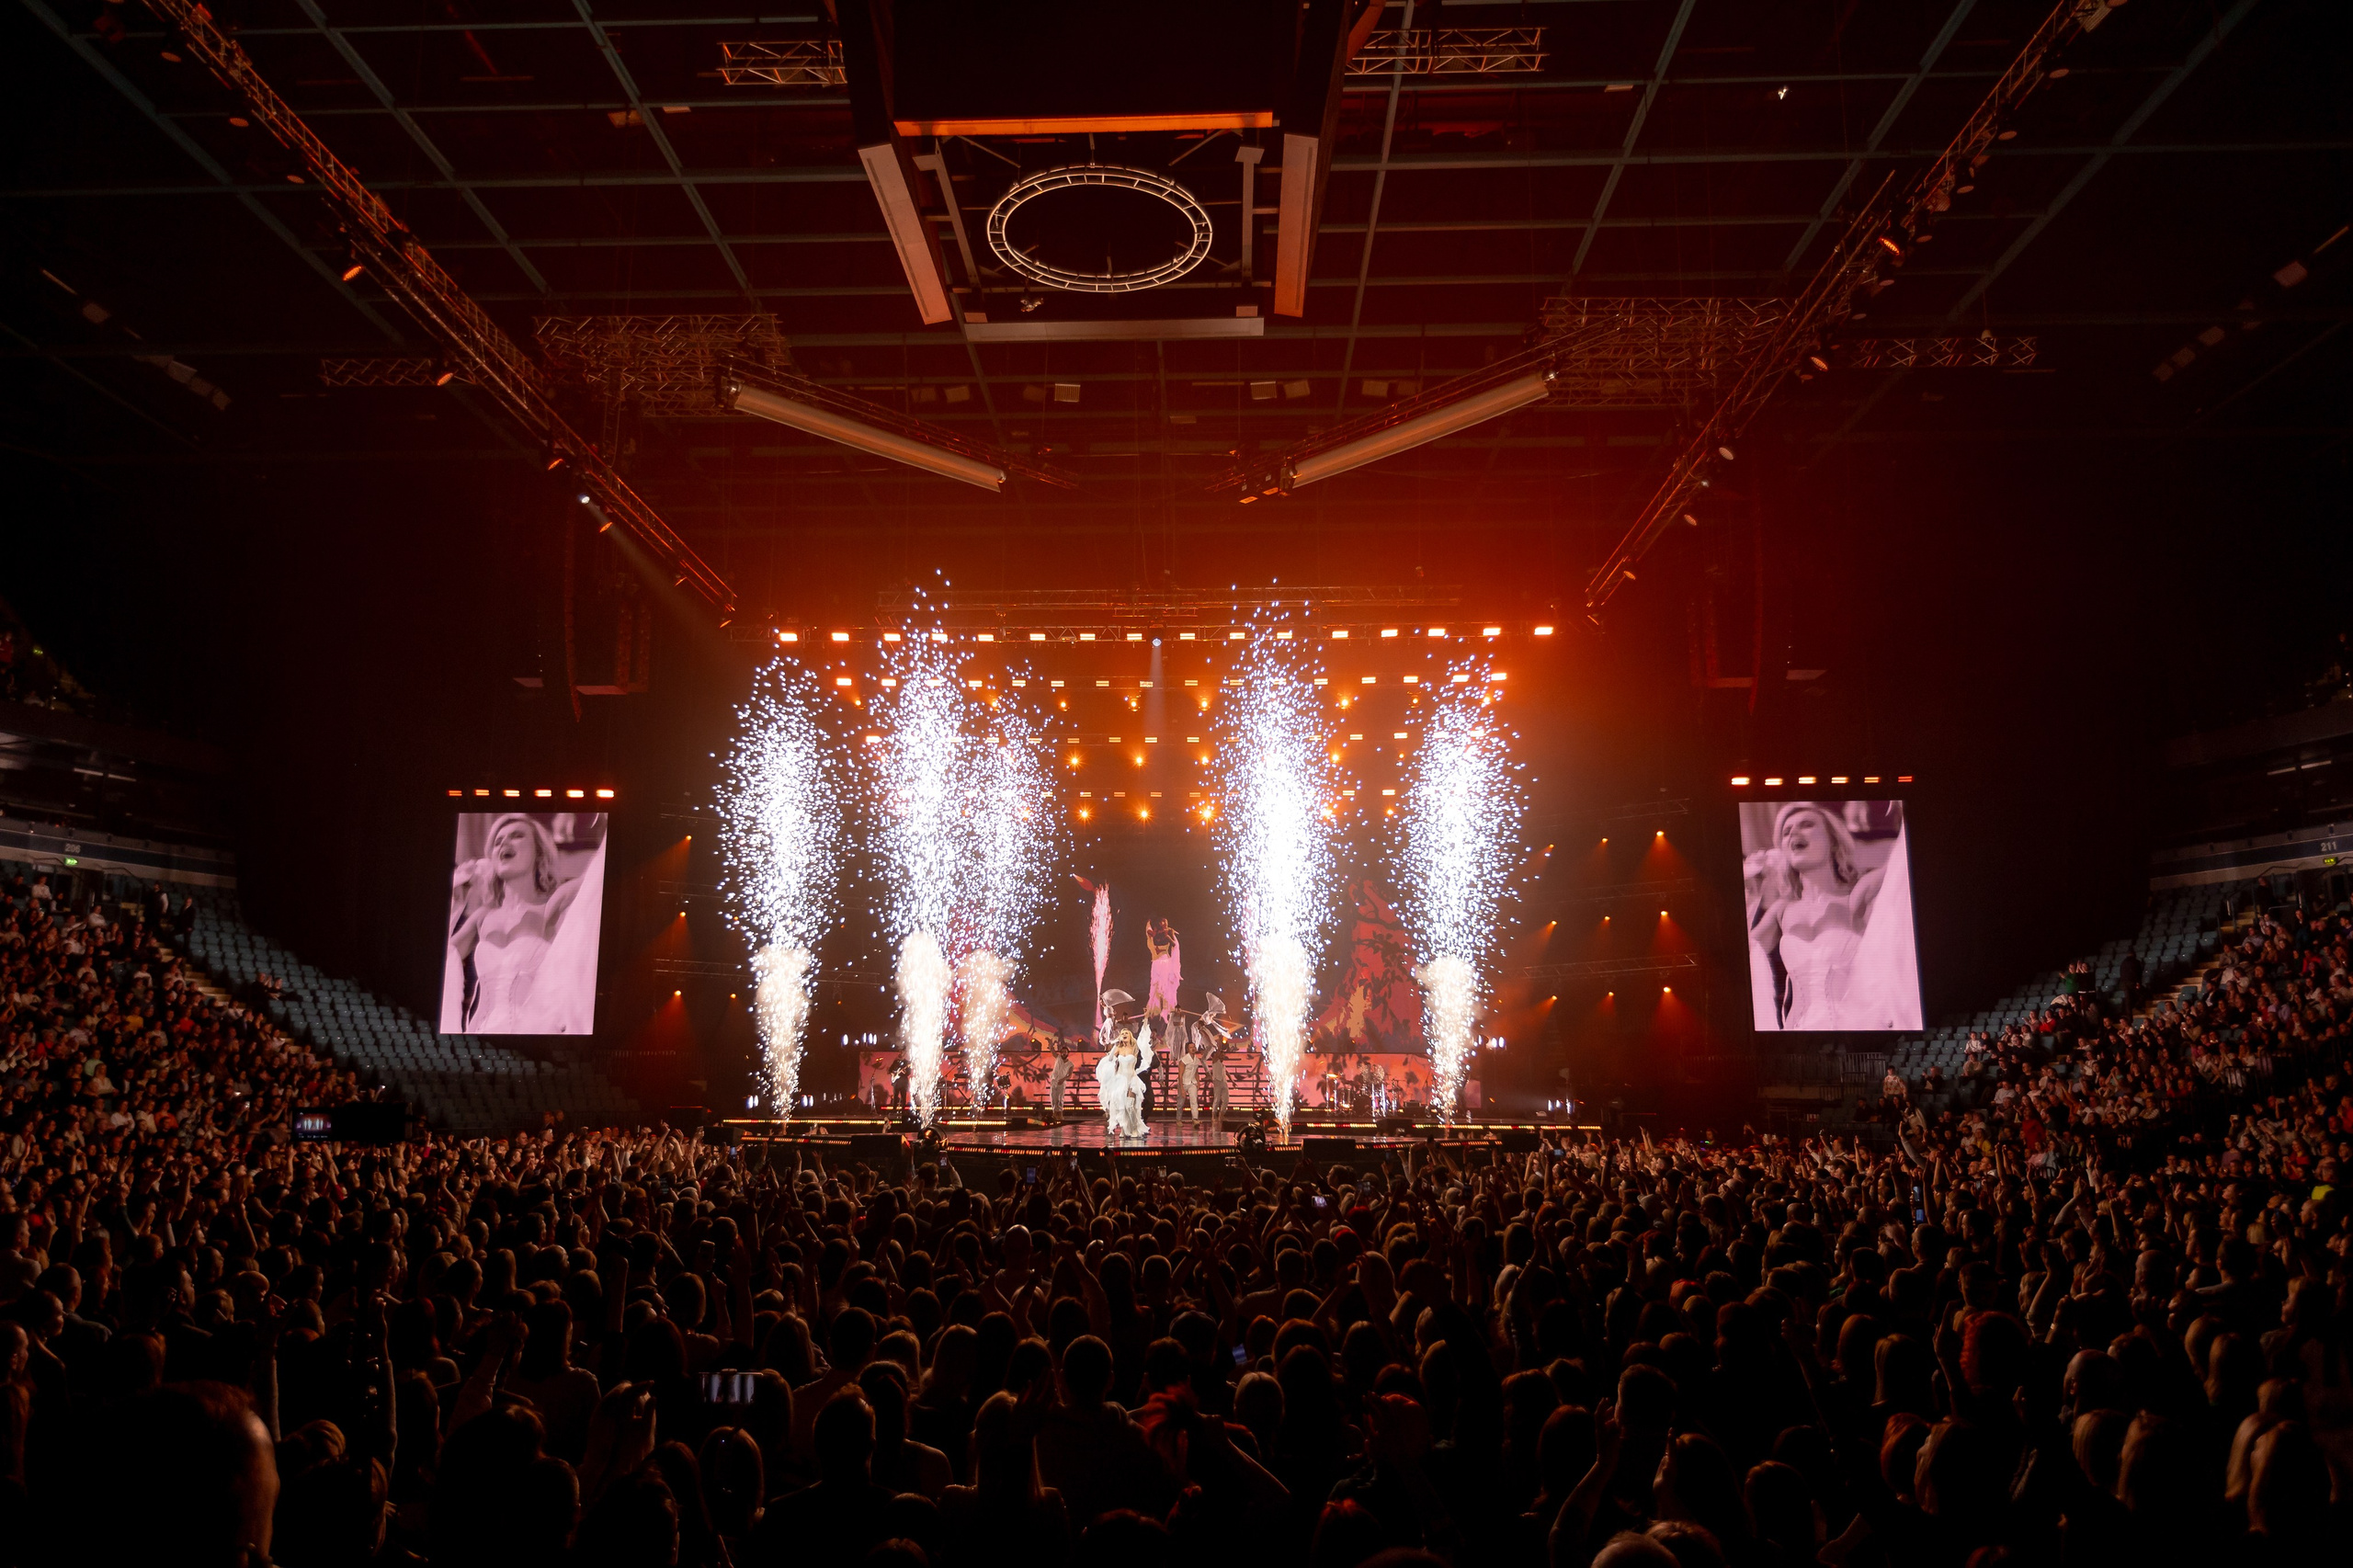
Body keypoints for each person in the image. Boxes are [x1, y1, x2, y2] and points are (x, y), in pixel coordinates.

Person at [439, 813, 602, 1034]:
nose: (504, 843)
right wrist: (455, 904)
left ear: (538, 852)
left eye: (516, 836)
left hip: (535, 1036)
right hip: (480, 1035)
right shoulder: (482, 917)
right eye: (498, 841)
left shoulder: (554, 905)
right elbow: (439, 967)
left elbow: (597, 879)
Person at [1744, 801, 1900, 1030]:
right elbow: (1742, 959)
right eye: (1786, 832)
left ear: (1833, 841)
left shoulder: (1860, 896)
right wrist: (1750, 896)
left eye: (1806, 825)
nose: (1793, 833)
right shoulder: (1782, 911)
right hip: (1799, 1034)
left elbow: (1901, 865)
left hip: (1860, 1029)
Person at [1094, 1024, 1154, 1142]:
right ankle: (1124, 1128)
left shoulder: (1134, 1047)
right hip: (1120, 1080)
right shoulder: (1118, 1049)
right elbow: (1110, 1059)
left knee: (1130, 1106)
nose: (1124, 1035)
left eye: (1126, 1033)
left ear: (1130, 1036)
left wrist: (1145, 1020)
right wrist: (1114, 1046)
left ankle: (1135, 1128)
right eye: (1123, 1034)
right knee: (1121, 1107)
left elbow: (1142, 1043)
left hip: (1132, 1079)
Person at [1144, 919, 1180, 1019]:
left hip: (1159, 963)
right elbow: (1174, 945)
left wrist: (1169, 934)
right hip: (1162, 963)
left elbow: (1148, 929)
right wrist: (1170, 934)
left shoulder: (1153, 936)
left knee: (1160, 987)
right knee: (1161, 987)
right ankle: (1161, 1011)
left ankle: (1161, 1011)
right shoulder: (1160, 936)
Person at [1176, 1032, 1200, 1124]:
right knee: (1180, 1103)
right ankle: (1178, 1119)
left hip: (1192, 1083)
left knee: (1194, 1101)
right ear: (1188, 1049)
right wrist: (1182, 1088)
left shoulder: (1197, 1060)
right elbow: (1180, 1074)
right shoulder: (1184, 1060)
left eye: (1194, 1047)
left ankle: (1195, 1119)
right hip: (1183, 1083)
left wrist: (1198, 1082)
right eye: (1191, 1047)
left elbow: (1196, 1072)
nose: (1193, 1049)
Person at [1050, 1042, 1073, 1123]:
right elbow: (1052, 1051)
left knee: (1060, 1099)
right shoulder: (1058, 1058)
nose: (1064, 1053)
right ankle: (1054, 1114)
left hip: (1061, 1082)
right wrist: (1050, 1043)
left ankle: (1060, 1114)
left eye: (1065, 1052)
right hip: (1054, 1081)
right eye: (1062, 1052)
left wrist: (1063, 1079)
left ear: (1067, 1053)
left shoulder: (1070, 1064)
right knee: (1053, 1098)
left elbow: (1069, 1075)